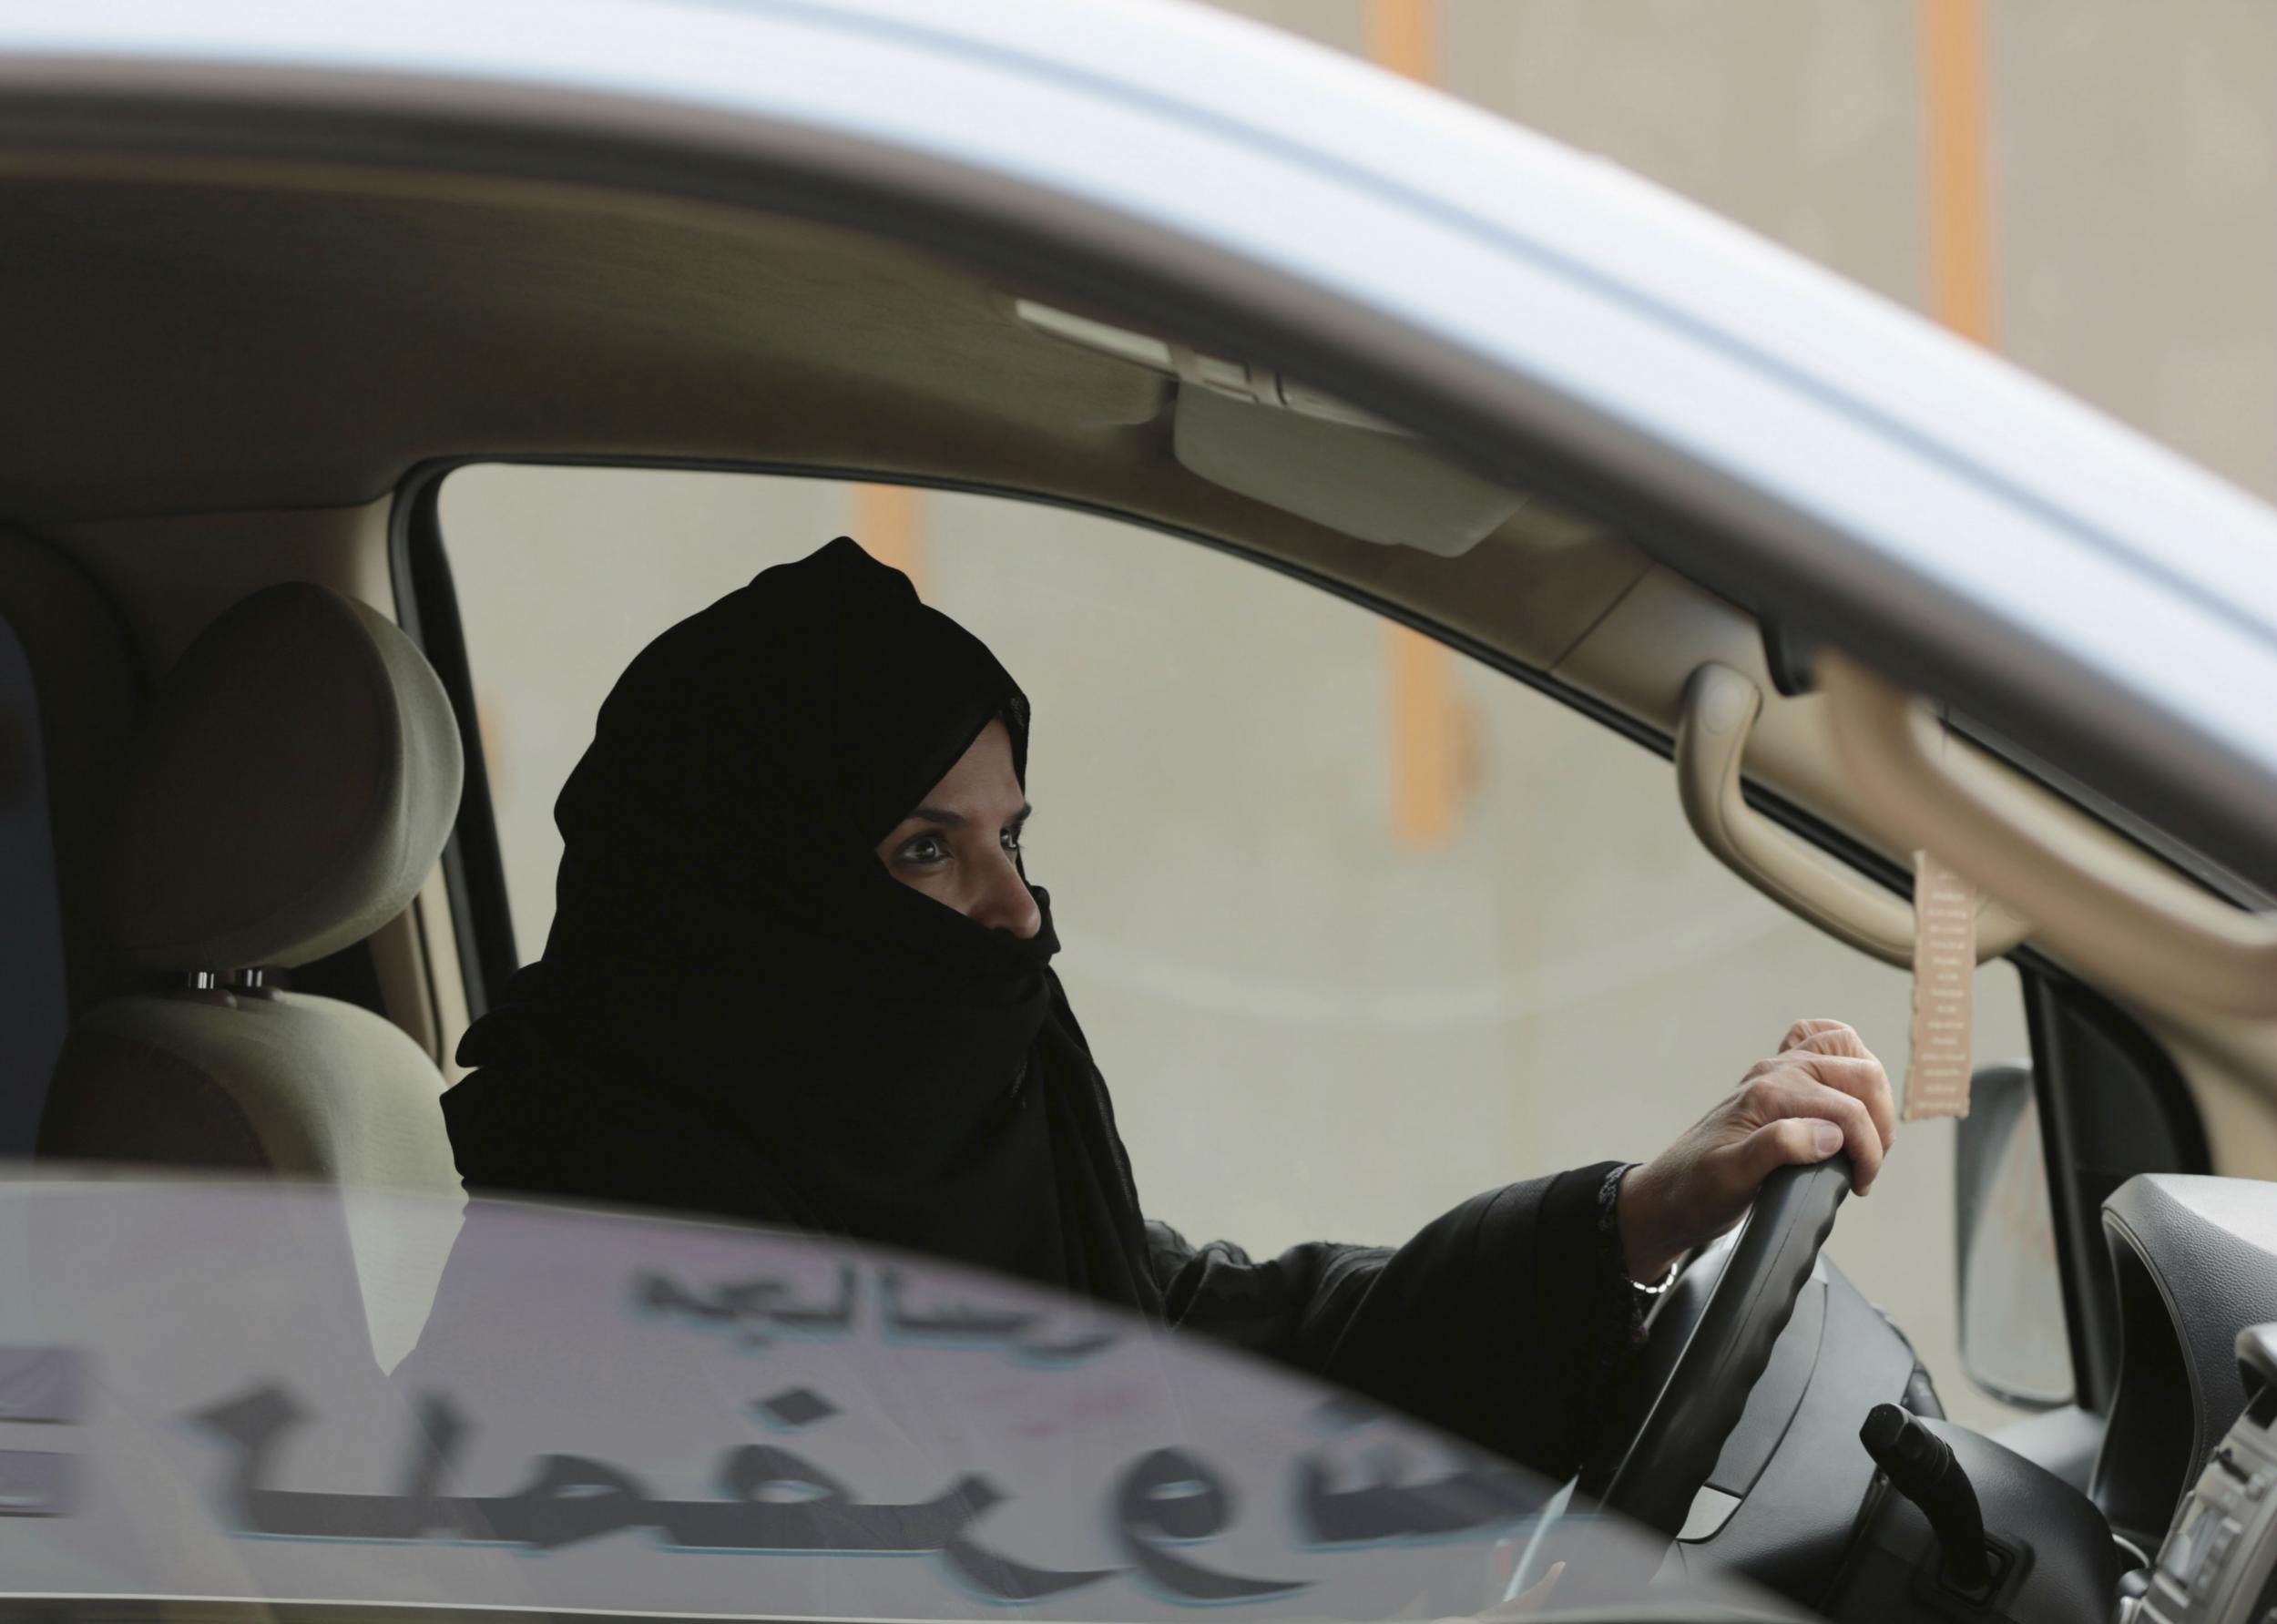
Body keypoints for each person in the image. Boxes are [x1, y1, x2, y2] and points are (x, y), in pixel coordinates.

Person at [443, 536, 1896, 1480]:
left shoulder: (934, 1188)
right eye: (925, 850)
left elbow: (1210, 1345)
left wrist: (1622, 1223)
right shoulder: (596, 1292)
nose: (1015, 915)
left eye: (1011, 838)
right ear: (749, 904)